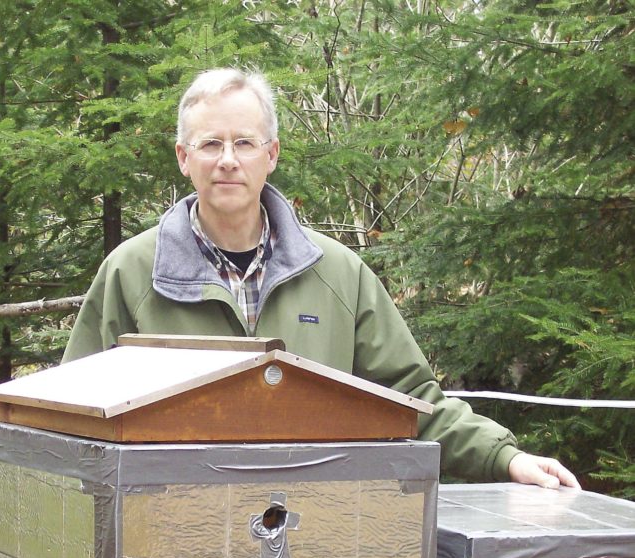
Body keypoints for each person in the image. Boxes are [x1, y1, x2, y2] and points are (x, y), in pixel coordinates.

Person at [63, 67, 579, 489]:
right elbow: (72, 416)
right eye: (209, 144)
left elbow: (408, 399)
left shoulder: (338, 274)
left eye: (244, 143)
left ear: (272, 154)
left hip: (314, 534)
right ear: (183, 158)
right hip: (167, 537)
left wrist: (506, 459)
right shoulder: (132, 273)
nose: (227, 161)